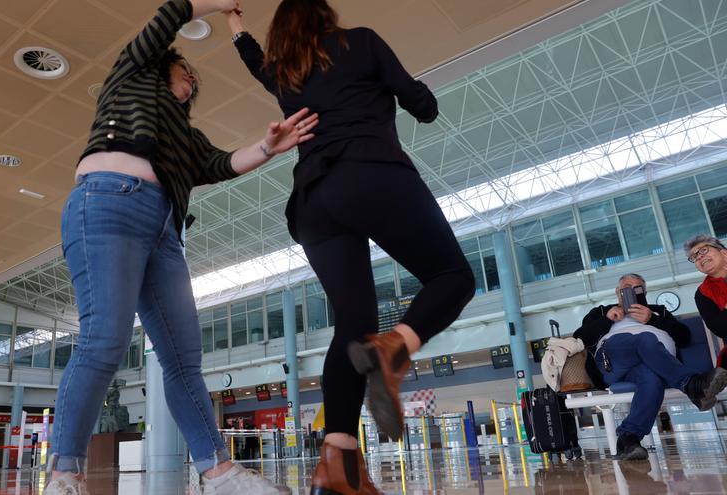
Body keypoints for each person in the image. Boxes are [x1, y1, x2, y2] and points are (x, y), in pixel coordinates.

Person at [45, 0, 317, 493]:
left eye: (194, 78)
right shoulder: (127, 78)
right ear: (160, 66)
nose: (191, 78)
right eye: (184, 69)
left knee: (183, 358)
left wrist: (269, 146)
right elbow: (165, 18)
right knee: (104, 339)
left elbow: (219, 163)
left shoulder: (186, 137)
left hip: (164, 231)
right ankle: (65, 472)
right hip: (106, 204)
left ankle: (217, 472)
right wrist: (216, 6)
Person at [227, 2, 475, 492]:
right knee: (453, 277)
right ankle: (396, 348)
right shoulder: (359, 41)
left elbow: (254, 61)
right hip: (371, 171)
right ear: (326, 15)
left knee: (353, 325)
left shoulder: (283, 73)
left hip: (314, 201)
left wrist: (233, 20)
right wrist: (420, 99)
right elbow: (420, 104)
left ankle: (337, 468)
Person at [573, 273, 727, 460]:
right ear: (617, 292)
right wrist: (607, 319)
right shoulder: (601, 312)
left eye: (637, 288)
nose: (632, 290)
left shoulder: (658, 311)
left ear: (644, 292)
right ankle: (691, 384)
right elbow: (580, 337)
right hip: (612, 362)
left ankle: (628, 439)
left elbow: (684, 337)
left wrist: (652, 319)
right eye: (626, 287)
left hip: (653, 366)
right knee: (645, 338)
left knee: (651, 379)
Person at [685, 235, 727, 364]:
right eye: (694, 256)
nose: (699, 256)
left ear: (724, 253)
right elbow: (720, 330)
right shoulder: (702, 294)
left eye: (703, 250)